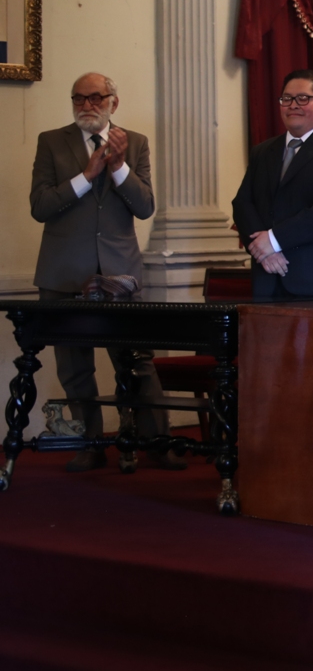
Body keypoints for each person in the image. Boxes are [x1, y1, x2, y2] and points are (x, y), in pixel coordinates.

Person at [29, 73, 183, 471]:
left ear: (114, 102)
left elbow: (145, 206)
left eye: (96, 97)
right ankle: (90, 443)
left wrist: (117, 168)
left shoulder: (136, 142)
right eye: (78, 98)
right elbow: (41, 206)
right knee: (73, 366)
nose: (87, 105)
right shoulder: (51, 141)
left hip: (120, 274)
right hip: (63, 273)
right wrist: (87, 176)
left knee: (137, 361)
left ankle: (156, 442)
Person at [232, 69, 313, 300]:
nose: (293, 105)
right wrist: (264, 253)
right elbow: (243, 203)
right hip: (266, 278)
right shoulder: (262, 152)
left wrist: (274, 240)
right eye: (286, 99)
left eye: (303, 98)